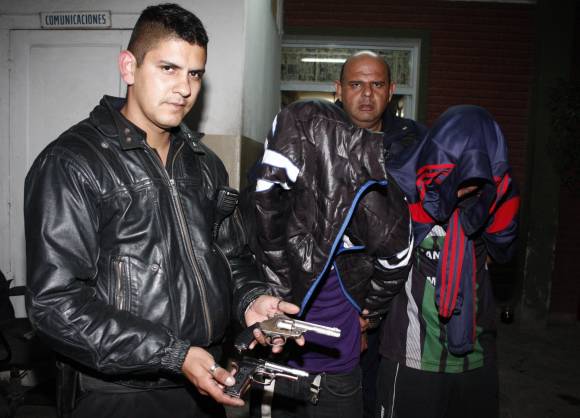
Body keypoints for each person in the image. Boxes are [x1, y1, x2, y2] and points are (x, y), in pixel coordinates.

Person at [24, 4, 298, 418]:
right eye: (168, 68)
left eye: (195, 74)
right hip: (119, 393)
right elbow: (55, 303)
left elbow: (231, 257)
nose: (184, 88)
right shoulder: (73, 162)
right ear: (128, 67)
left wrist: (250, 300)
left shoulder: (205, 164)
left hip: (203, 378)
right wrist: (172, 353)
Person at [376, 105, 520, 418]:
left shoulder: (495, 196)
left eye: (476, 177)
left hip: (476, 357)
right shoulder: (405, 189)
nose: (467, 187)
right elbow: (375, 257)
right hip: (413, 355)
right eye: (459, 173)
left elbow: (503, 251)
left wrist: (492, 200)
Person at [334, 51, 426, 418]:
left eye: (376, 84)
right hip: (329, 288)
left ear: (391, 91)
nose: (367, 94)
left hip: (395, 290)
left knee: (377, 390)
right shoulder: (311, 133)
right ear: (339, 89)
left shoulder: (415, 140)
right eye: (356, 84)